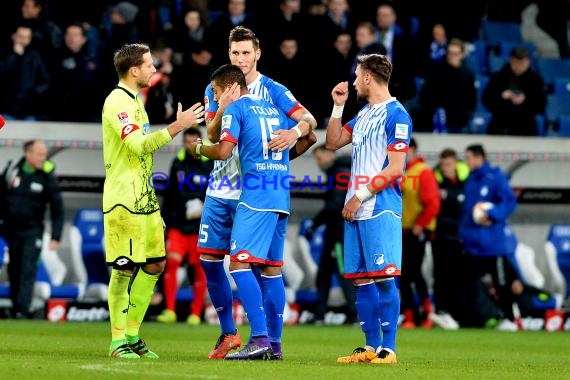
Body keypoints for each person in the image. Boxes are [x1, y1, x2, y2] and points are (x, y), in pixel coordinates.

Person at [198, 26, 317, 360]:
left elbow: (309, 122)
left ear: (258, 54)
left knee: (262, 268)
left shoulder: (274, 90)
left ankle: (267, 339)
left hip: (254, 190)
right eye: (235, 53)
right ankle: (228, 333)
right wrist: (224, 104)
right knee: (209, 260)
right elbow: (211, 129)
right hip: (222, 187)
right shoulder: (218, 86)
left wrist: (293, 133)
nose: (241, 58)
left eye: (246, 53)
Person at [101, 42, 204, 359]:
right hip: (123, 200)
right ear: (134, 70)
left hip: (143, 199)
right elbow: (136, 147)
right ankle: (118, 341)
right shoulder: (117, 101)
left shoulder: (136, 101)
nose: (154, 70)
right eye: (149, 65)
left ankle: (132, 335)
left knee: (156, 264)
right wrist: (177, 126)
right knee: (124, 270)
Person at [325, 54, 412, 364]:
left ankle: (389, 349)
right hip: (357, 207)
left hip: (379, 206)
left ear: (367, 78)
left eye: (356, 75)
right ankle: (370, 346)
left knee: (385, 277)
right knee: (362, 278)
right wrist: (338, 106)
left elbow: (396, 169)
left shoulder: (396, 115)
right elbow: (333, 142)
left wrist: (359, 194)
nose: (353, 80)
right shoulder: (362, 114)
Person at [0, 140, 63, 319]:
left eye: (44, 154)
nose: (43, 158)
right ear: (28, 153)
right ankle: (16, 308)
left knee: (27, 269)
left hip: (32, 231)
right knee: (14, 270)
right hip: (10, 230)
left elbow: (57, 207)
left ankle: (22, 311)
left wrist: (56, 236)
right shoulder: (13, 170)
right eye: (40, 154)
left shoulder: (46, 175)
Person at [458, 144, 519, 328]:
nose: (466, 162)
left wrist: (492, 214)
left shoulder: (495, 177)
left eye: (468, 158)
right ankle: (480, 318)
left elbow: (509, 201)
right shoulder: (470, 180)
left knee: (501, 284)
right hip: (472, 243)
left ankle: (509, 319)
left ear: (479, 158)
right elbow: (467, 212)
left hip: (492, 243)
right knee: (469, 283)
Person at [158, 128, 213, 325]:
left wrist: (203, 206)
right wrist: (162, 224)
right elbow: (170, 195)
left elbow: (219, 192)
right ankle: (170, 310)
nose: (190, 146)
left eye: (193, 142)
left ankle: (195, 313)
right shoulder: (178, 162)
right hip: (177, 225)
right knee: (171, 264)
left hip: (200, 227)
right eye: (187, 142)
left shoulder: (211, 163)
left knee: (199, 267)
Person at [307, 144, 356, 324]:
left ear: (329, 155)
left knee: (343, 272)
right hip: (335, 233)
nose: (318, 163)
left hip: (340, 235)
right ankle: (320, 312)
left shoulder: (340, 173)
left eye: (319, 158)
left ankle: (354, 314)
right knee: (324, 273)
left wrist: (314, 223)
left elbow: (335, 205)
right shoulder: (339, 172)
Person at [399, 138, 440, 329]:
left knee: (412, 273)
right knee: (406, 274)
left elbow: (433, 204)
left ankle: (424, 313)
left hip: (416, 231)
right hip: (403, 230)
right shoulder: (401, 172)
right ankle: (412, 315)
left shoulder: (423, 172)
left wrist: (420, 225)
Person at [429, 148, 468, 330]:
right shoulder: (435, 180)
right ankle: (442, 312)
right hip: (441, 236)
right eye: (443, 164)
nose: (446, 168)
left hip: (461, 237)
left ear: (456, 163)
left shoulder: (465, 180)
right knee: (441, 275)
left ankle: (457, 313)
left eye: (449, 164)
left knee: (458, 277)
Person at [482, 45, 546, 136]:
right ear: (511, 61)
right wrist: (501, 95)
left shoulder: (536, 80)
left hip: (525, 127)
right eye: (516, 62)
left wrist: (525, 100)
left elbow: (541, 104)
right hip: (500, 125)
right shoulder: (498, 78)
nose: (519, 66)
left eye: (522, 62)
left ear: (528, 62)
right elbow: (486, 99)